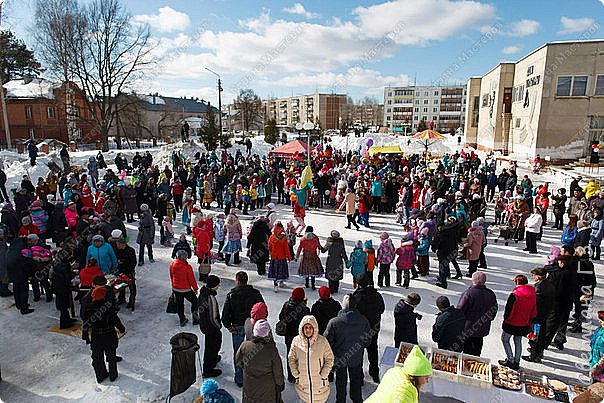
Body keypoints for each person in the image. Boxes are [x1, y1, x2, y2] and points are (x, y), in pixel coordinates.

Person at [324, 294, 371, 403]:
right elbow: (368, 340)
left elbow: (327, 342)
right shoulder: (363, 320)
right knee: (356, 380)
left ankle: (340, 400)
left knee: (341, 382)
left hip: (339, 358)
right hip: (356, 357)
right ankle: (357, 399)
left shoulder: (334, 322)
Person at [221, 271, 264, 387]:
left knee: (238, 352)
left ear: (237, 281)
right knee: (253, 351)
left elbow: (225, 314)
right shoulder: (255, 293)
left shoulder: (231, 295)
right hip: (252, 325)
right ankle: (252, 375)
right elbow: (262, 309)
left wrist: (228, 326)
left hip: (237, 326)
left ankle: (239, 378)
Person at [80, 275, 125, 383]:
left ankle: (100, 375)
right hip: (109, 333)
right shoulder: (107, 306)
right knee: (111, 354)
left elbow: (85, 321)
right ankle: (113, 375)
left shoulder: (89, 307)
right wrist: (121, 328)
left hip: (96, 335)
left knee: (97, 357)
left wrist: (85, 334)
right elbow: (114, 319)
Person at [235, 319, 285, 403]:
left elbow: (238, 361)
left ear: (254, 332)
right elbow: (278, 370)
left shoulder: (245, 345)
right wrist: (280, 384)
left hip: (249, 385)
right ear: (267, 334)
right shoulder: (271, 350)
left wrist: (247, 367)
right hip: (267, 387)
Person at [287, 315, 334, 403]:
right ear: (302, 328)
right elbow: (291, 358)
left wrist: (324, 374)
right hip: (303, 385)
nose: (308, 330)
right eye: (306, 327)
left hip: (320, 385)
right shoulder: (296, 341)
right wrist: (295, 373)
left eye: (310, 327)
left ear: (314, 328)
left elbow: (329, 358)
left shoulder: (322, 341)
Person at [364, 346, 432, 403]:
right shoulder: (405, 394)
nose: (427, 381)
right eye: (426, 378)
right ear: (416, 377)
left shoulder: (394, 371)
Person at [499, 275, 537, 370]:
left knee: (505, 339)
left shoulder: (515, 295)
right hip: (524, 323)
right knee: (518, 341)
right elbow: (534, 311)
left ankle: (510, 359)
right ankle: (516, 362)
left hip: (512, 322)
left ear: (517, 282)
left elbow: (509, 310)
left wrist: (506, 319)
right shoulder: (532, 294)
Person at [353, 272, 384, 383]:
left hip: (360, 330)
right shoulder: (377, 295)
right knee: (373, 350)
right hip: (373, 328)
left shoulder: (356, 297)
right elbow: (382, 309)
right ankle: (374, 373)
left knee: (358, 353)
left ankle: (359, 377)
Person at [457, 271, 498, 356]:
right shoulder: (490, 294)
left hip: (468, 328)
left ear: (473, 280)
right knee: (477, 348)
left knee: (467, 350)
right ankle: (476, 365)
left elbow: (460, 310)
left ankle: (467, 366)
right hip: (483, 327)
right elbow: (494, 309)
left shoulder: (468, 293)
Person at [523, 267, 556, 363]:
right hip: (546, 314)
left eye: (533, 275)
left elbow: (535, 303)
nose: (533, 277)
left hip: (537, 316)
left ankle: (534, 354)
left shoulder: (538, 288)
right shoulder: (550, 285)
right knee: (541, 336)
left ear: (538, 277)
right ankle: (539, 352)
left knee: (534, 336)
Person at [278, 287, 311, 383]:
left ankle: (291, 376)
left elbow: (281, 317)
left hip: (289, 335)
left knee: (290, 356)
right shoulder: (305, 309)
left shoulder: (286, 306)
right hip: (300, 337)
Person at [198, 275, 222, 378]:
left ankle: (213, 359)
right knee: (211, 346)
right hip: (211, 327)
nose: (219, 286)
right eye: (218, 284)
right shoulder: (210, 298)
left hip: (204, 324)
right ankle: (208, 369)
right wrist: (218, 325)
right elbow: (213, 316)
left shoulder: (203, 293)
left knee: (214, 343)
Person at [570, 246, 597, 333]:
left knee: (579, 307)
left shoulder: (580, 264)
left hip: (581, 289)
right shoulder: (589, 263)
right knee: (582, 307)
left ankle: (577, 325)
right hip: (588, 288)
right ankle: (578, 322)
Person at [169, 250, 199, 327]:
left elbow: (172, 277)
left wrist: (173, 287)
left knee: (180, 305)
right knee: (195, 302)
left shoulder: (172, 265)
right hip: (186, 289)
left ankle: (182, 319)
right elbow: (191, 279)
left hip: (176, 289)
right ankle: (195, 319)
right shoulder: (187, 267)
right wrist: (195, 289)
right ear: (185, 258)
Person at [296, 226, 324, 290]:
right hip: (313, 255)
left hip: (305, 256)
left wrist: (296, 257)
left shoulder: (303, 239)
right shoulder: (315, 238)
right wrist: (321, 249)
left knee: (306, 270)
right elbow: (319, 246)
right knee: (313, 270)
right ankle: (313, 285)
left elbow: (299, 248)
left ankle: (307, 283)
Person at [268, 222, 291, 292]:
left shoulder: (271, 237)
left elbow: (269, 247)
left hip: (274, 257)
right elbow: (286, 248)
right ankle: (281, 282)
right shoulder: (283, 238)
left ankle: (275, 285)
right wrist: (289, 256)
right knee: (281, 270)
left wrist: (270, 253)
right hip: (282, 257)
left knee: (275, 271)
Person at [115, 238, 137, 310]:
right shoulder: (118, 250)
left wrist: (130, 272)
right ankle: (121, 299)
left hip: (129, 271)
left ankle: (132, 301)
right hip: (121, 271)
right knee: (121, 286)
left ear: (122, 244)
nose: (117, 246)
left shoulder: (130, 251)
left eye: (118, 244)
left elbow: (133, 262)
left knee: (132, 287)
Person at [589, 311, 604, 380]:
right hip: (595, 360)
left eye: (602, 320)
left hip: (601, 365)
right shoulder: (600, 329)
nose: (599, 321)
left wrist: (598, 366)